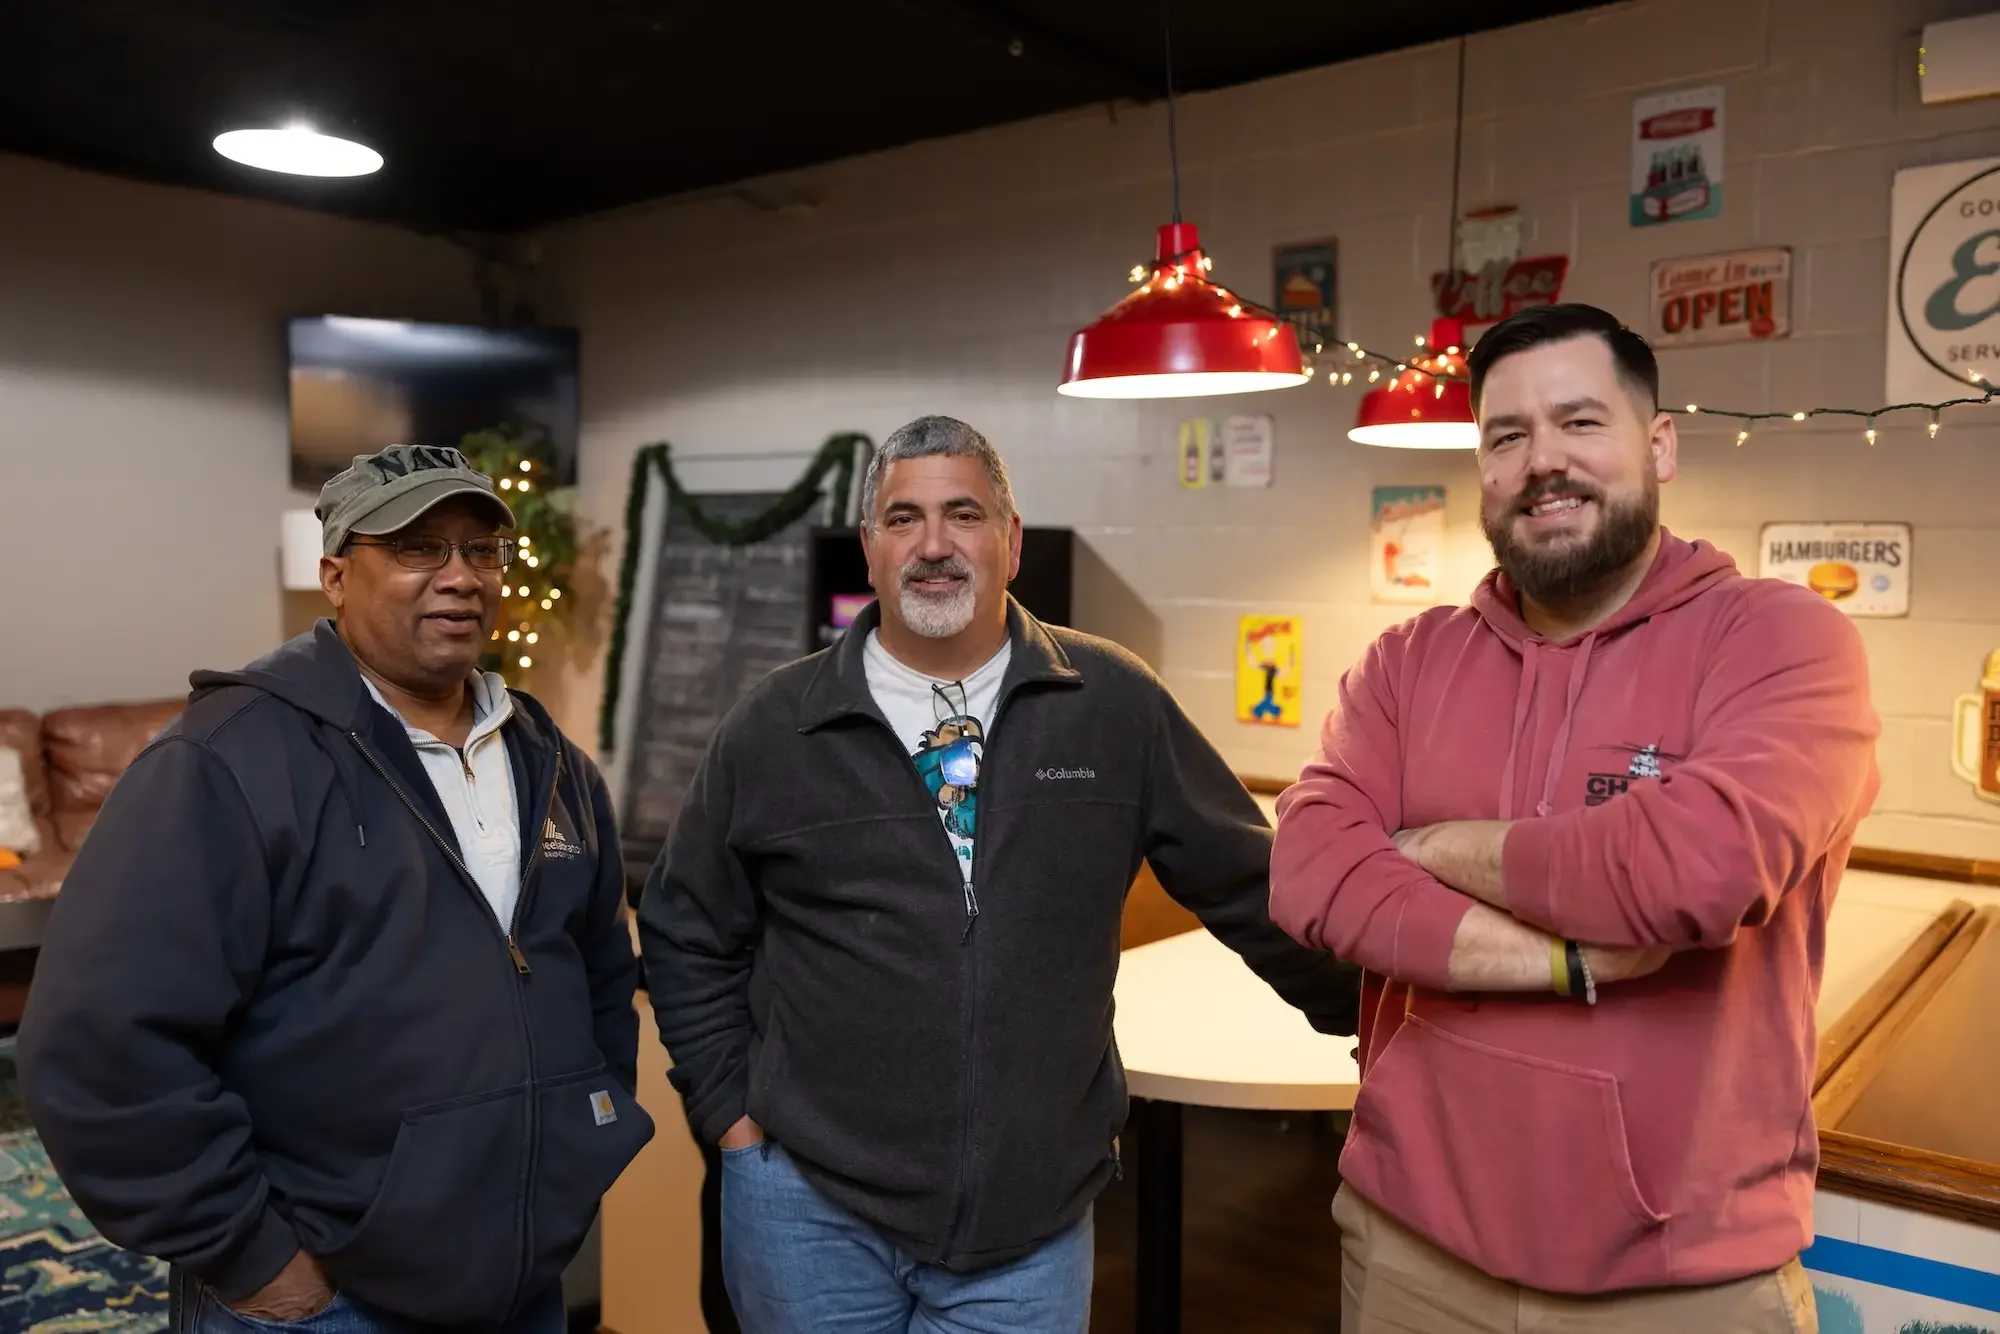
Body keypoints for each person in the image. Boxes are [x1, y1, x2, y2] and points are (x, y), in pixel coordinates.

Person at [640, 414, 1360, 1333]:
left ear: (1010, 543)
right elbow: (683, 927)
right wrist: (732, 1125)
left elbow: (1252, 884)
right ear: (869, 548)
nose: (933, 545)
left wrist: (1382, 1013)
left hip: (1031, 1227)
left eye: (964, 514)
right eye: (903, 519)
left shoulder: (1111, 703)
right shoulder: (776, 724)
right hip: (807, 1210)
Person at [1271, 304, 1879, 1333]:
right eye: (1506, 435)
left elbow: (1691, 870)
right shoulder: (1407, 659)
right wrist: (1570, 959)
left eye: (1578, 422)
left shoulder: (1782, 639)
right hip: (1408, 1242)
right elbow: (1309, 871)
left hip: (1681, 1277)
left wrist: (1426, 846)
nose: (1540, 460)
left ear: (1658, 445)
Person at [20, 445, 653, 1334]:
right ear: (336, 576)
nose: (461, 577)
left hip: (520, 1279)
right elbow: (97, 1045)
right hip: (319, 1300)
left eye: (482, 551)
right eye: (418, 548)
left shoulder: (552, 763)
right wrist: (253, 1256)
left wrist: (585, 1140)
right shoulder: (224, 762)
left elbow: (596, 978)